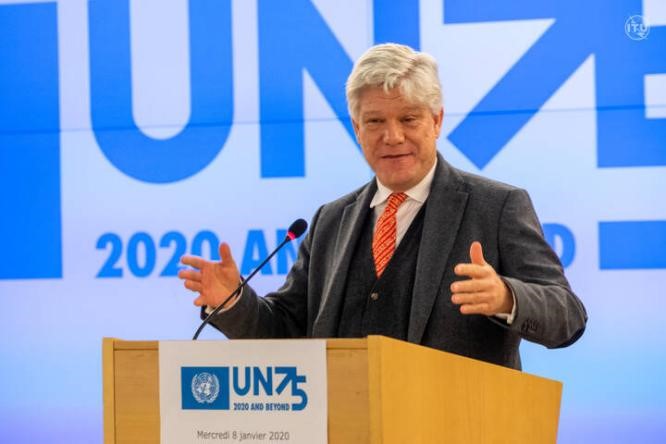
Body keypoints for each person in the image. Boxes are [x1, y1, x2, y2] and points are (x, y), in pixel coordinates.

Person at [178, 43, 587, 370]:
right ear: (357, 128)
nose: (392, 137)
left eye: (408, 119)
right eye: (375, 122)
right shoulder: (330, 220)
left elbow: (568, 316)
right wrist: (234, 301)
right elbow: (287, 331)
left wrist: (506, 297)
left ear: (436, 121)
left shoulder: (496, 206)